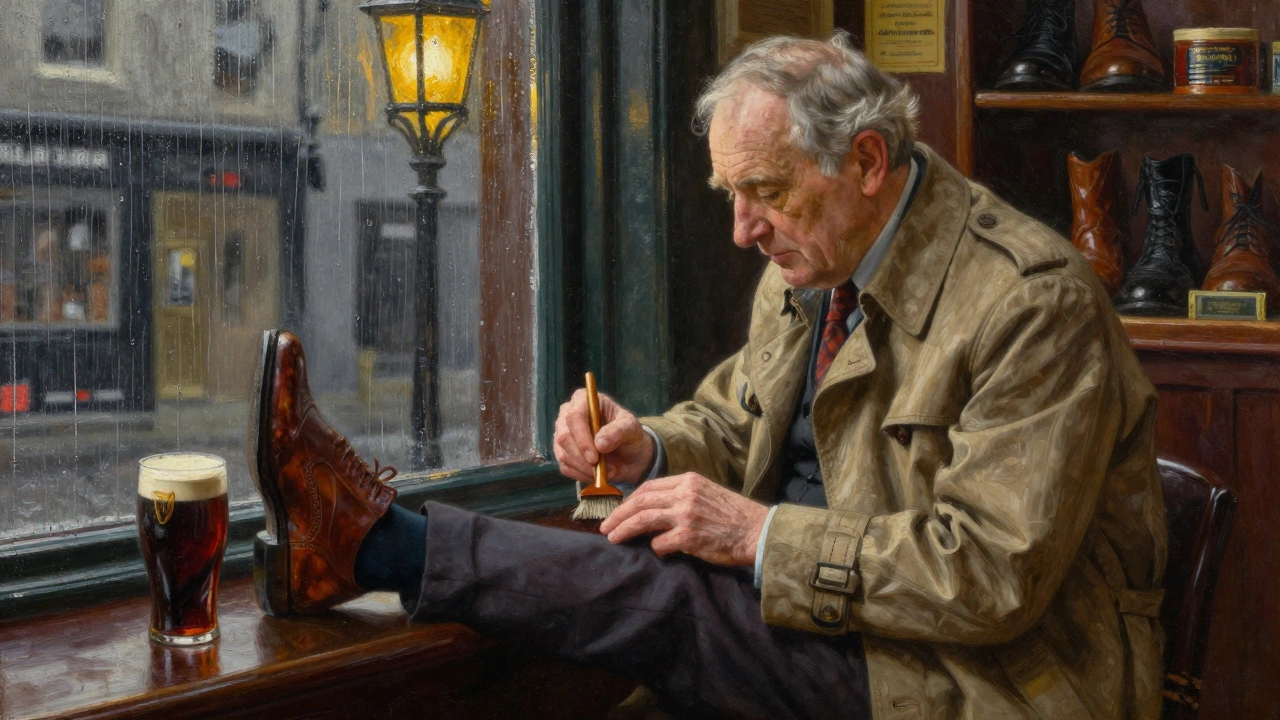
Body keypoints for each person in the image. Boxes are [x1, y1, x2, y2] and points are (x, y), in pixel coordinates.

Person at [250, 32, 1166, 719]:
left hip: (976, 682)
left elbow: (988, 577)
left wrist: (761, 535)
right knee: (634, 587)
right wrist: (645, 446)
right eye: (731, 193)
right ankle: (358, 542)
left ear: (867, 162)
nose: (742, 230)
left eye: (765, 191)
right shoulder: (813, 256)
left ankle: (370, 544)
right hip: (829, 632)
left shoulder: (1032, 304)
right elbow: (734, 427)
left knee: (669, 589)